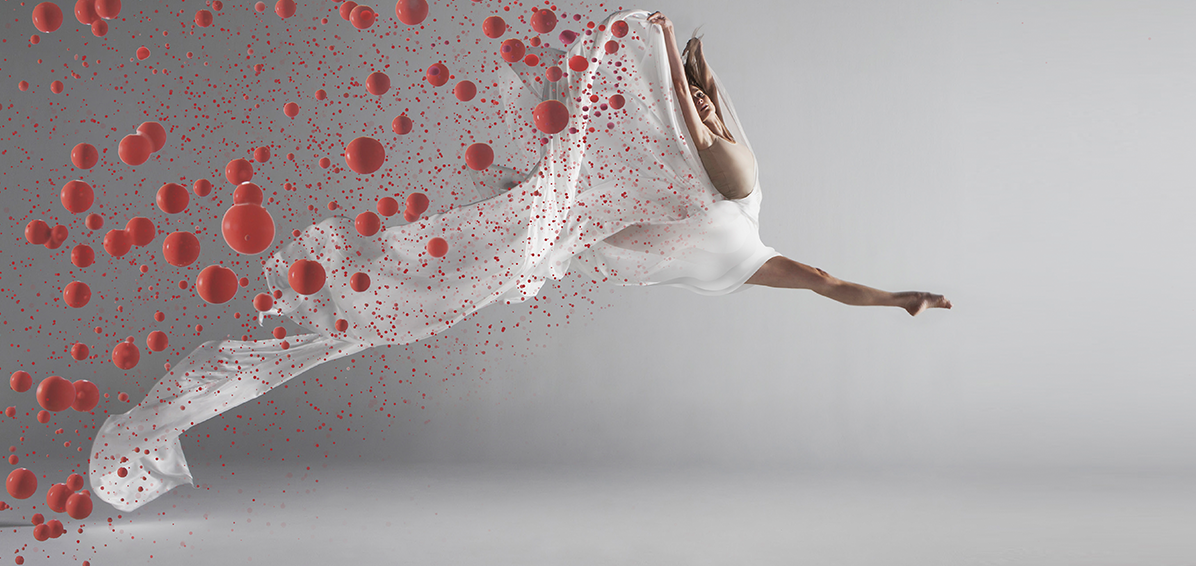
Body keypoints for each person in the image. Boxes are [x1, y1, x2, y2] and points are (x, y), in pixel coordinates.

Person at [89, 9, 951, 512]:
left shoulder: (726, 255)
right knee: (694, 124)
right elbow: (825, 284)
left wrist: (897, 299)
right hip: (718, 195)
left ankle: (674, 55)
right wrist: (895, 300)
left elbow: (818, 278)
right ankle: (671, 60)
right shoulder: (715, 268)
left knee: (705, 116)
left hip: (732, 190)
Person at [646, 11, 952, 316]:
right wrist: (668, 33)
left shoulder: (722, 127)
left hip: (747, 220)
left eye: (701, 94)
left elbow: (702, 85)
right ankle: (908, 298)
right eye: (694, 101)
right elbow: (680, 86)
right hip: (734, 239)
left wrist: (693, 61)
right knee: (820, 279)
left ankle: (908, 299)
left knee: (821, 278)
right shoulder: (704, 138)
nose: (699, 100)